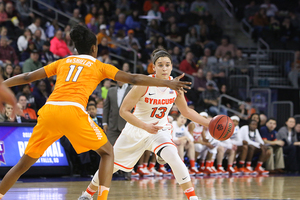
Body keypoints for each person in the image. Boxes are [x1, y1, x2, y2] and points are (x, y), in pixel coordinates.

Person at [0, 25, 190, 200]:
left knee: (22, 165)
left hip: (49, 111)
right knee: (108, 153)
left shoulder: (63, 61)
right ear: (94, 48)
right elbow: (133, 78)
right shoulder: (99, 66)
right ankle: (100, 198)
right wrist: (167, 82)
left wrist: (2, 85)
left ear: (75, 49)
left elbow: (27, 77)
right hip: (72, 110)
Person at [79, 48, 210, 200]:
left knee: (174, 157)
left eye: (167, 65)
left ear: (172, 67)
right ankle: (88, 194)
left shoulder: (175, 86)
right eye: (160, 65)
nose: (164, 68)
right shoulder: (143, 84)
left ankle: (193, 198)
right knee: (112, 165)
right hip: (136, 129)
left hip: (159, 130)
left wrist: (209, 123)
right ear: (153, 67)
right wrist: (145, 126)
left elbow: (186, 112)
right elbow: (124, 111)